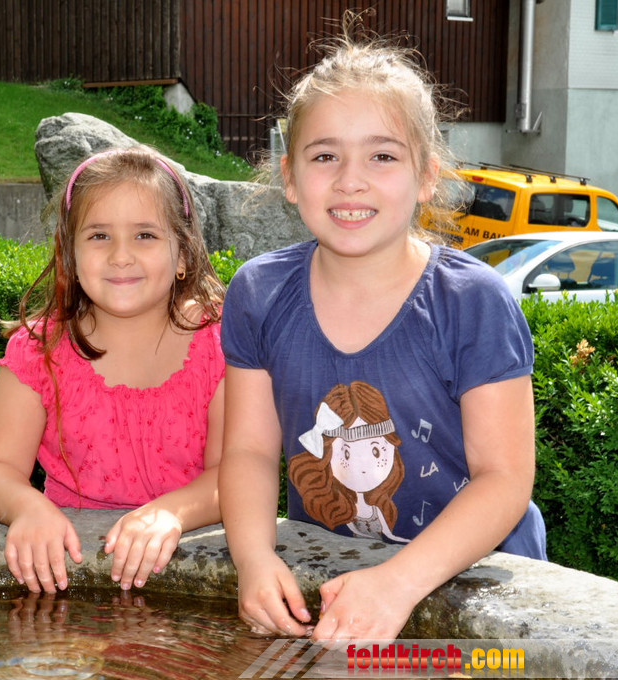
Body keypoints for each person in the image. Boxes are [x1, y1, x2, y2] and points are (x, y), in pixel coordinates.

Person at [218, 23, 547, 643]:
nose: (351, 179)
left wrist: (398, 583)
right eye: (325, 156)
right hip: (344, 585)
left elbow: (504, 479)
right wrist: (254, 559)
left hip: (480, 595)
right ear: (289, 176)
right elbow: (250, 452)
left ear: (427, 176)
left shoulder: (472, 302)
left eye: (383, 156)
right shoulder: (258, 294)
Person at [0, 146, 226, 595]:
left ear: (184, 254)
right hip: (70, 584)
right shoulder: (40, 350)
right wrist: (27, 508)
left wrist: (171, 513)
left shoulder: (219, 346)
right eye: (99, 236)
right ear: (69, 255)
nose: (121, 255)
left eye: (145, 235)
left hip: (193, 582)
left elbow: (236, 474)